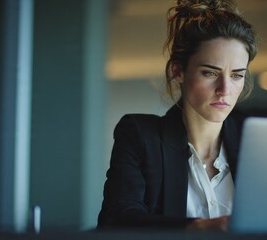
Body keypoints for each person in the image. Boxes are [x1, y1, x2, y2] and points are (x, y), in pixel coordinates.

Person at [98, 0, 258, 231]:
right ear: (178, 71)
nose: (225, 89)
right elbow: (116, 220)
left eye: (236, 75)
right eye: (210, 72)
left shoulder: (257, 142)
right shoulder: (141, 136)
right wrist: (200, 228)